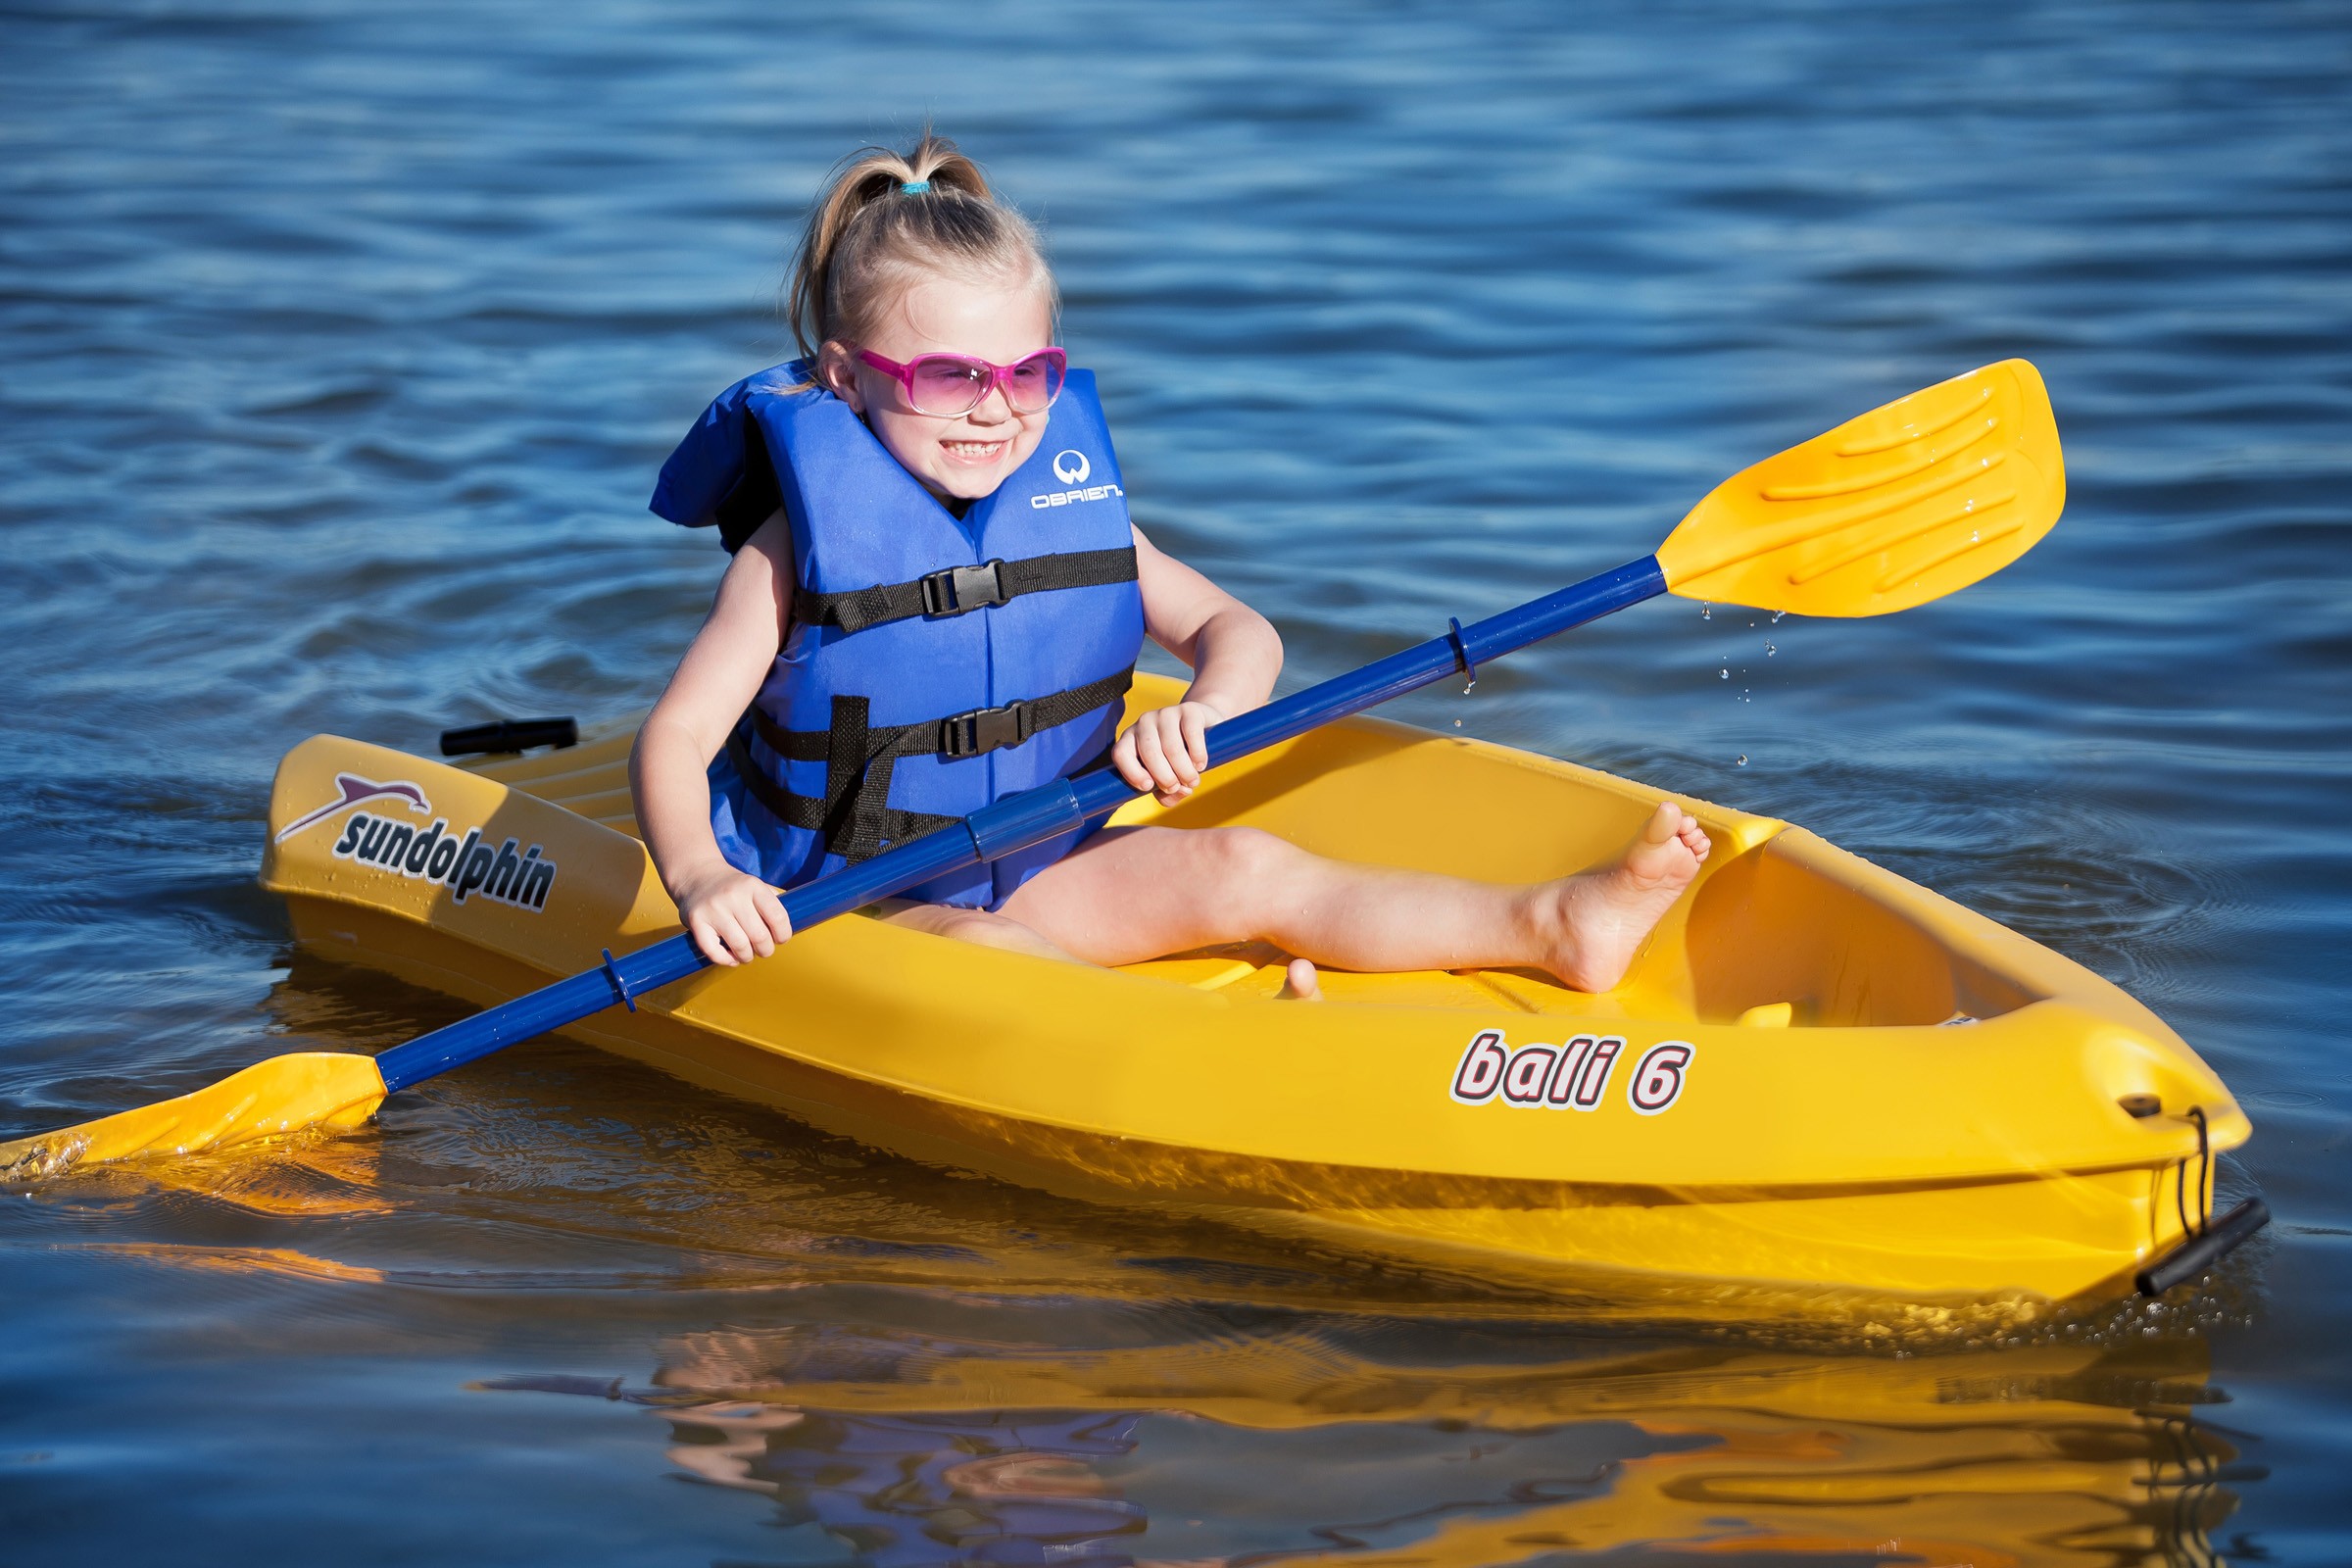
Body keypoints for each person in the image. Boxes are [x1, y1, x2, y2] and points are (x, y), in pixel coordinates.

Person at [631, 133, 1709, 999]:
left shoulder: (1061, 511)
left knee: (1247, 864)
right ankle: (1202, 1056)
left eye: (1027, 372)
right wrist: (701, 875)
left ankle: (1557, 924)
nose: (997, 408)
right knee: (983, 955)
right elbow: (678, 737)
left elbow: (1241, 633)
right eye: (950, 377)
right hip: (862, 900)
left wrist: (1201, 709)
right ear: (844, 376)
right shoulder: (788, 555)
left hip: (1044, 866)